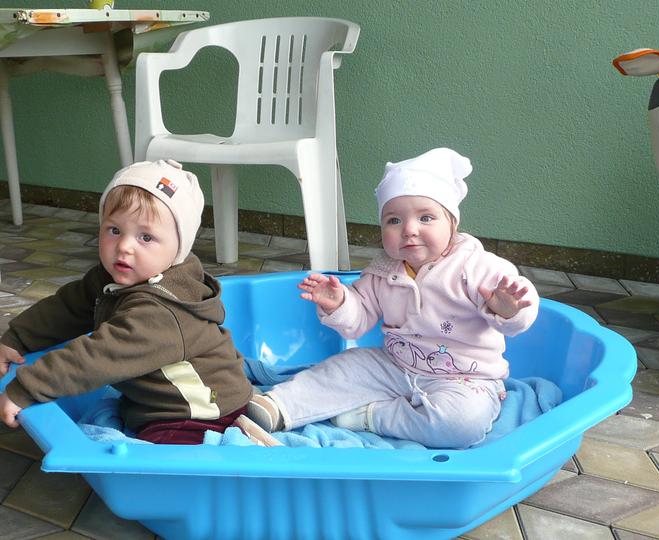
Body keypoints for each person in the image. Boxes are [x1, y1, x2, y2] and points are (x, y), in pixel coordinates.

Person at [245, 148, 540, 449]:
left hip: (465, 380)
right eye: (394, 220)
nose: (409, 230)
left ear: (452, 224)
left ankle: (371, 416)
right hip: (395, 365)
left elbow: (520, 310)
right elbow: (358, 321)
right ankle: (278, 406)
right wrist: (340, 303)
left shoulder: (475, 267)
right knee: (343, 369)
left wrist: (509, 309)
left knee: (462, 422)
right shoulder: (382, 271)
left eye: (426, 217)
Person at [0, 159, 270, 445]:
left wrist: (27, 388)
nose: (124, 246)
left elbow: (98, 357)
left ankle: (245, 441)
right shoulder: (114, 277)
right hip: (159, 401)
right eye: (114, 230)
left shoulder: (161, 312)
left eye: (146, 237)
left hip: (202, 411)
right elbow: (68, 307)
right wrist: (18, 339)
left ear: (179, 248)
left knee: (156, 457)